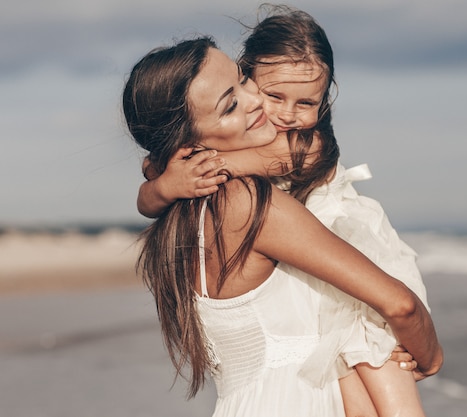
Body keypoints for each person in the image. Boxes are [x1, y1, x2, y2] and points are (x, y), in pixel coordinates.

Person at [136, 6, 434, 417]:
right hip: (295, 399)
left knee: (358, 339)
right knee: (359, 339)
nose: (268, 106)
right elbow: (399, 305)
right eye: (232, 102)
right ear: (185, 139)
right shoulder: (243, 202)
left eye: (241, 83)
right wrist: (430, 352)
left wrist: (195, 172)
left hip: (245, 400)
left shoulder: (198, 202)